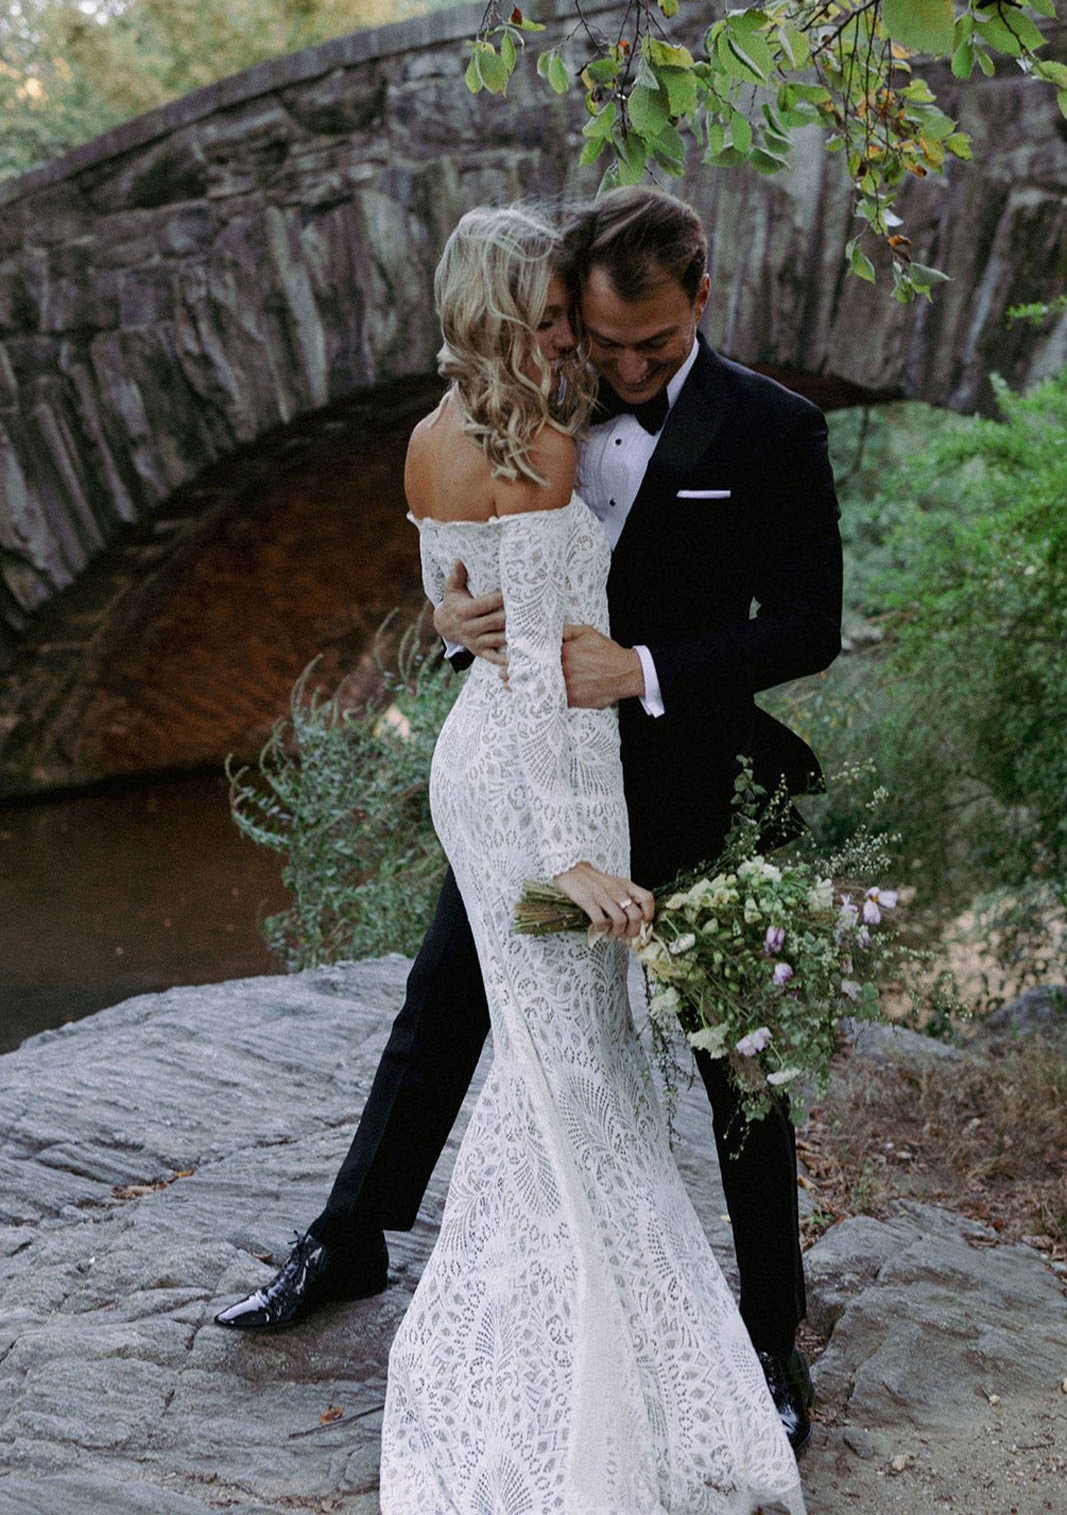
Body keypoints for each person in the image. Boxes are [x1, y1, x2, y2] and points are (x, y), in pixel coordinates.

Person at [215, 188, 842, 1461]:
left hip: (692, 780)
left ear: (700, 300)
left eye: (650, 348)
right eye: (600, 343)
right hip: (539, 778)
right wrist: (450, 614)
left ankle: (768, 1337)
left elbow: (808, 624)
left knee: (739, 1055)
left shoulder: (774, 429)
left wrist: (647, 665)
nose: (620, 369)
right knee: (441, 997)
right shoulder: (535, 394)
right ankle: (347, 1236)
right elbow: (470, 547)